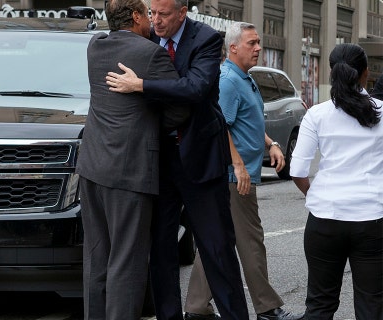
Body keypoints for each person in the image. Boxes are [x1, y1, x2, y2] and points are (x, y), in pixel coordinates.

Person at [105, 0, 249, 319]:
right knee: (161, 250)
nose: (156, 21)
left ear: (183, 13)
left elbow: (196, 87)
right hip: (157, 160)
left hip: (200, 158)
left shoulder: (207, 39)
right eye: (152, 13)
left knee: (216, 250)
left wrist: (141, 85)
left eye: (164, 14)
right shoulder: (145, 38)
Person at [182, 22, 303, 320]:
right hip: (234, 178)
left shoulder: (244, 78)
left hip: (238, 174)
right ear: (233, 47)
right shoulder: (227, 81)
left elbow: (247, 123)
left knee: (217, 241)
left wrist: (272, 143)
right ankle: (267, 307)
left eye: (259, 42)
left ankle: (197, 307)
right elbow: (218, 125)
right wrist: (237, 165)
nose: (258, 48)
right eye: (252, 43)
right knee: (251, 240)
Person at [77, 0, 189, 318]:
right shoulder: (150, 54)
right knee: (127, 261)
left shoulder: (94, 46)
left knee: (97, 258)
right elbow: (180, 109)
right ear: (137, 16)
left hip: (92, 165)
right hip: (130, 170)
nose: (152, 21)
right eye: (148, 15)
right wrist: (147, 112)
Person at [290, 43, 383, 320]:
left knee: (319, 305)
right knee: (372, 307)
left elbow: (297, 170)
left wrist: (315, 195)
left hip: (325, 218)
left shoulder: (317, 114)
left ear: (332, 72)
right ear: (365, 73)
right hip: (373, 219)